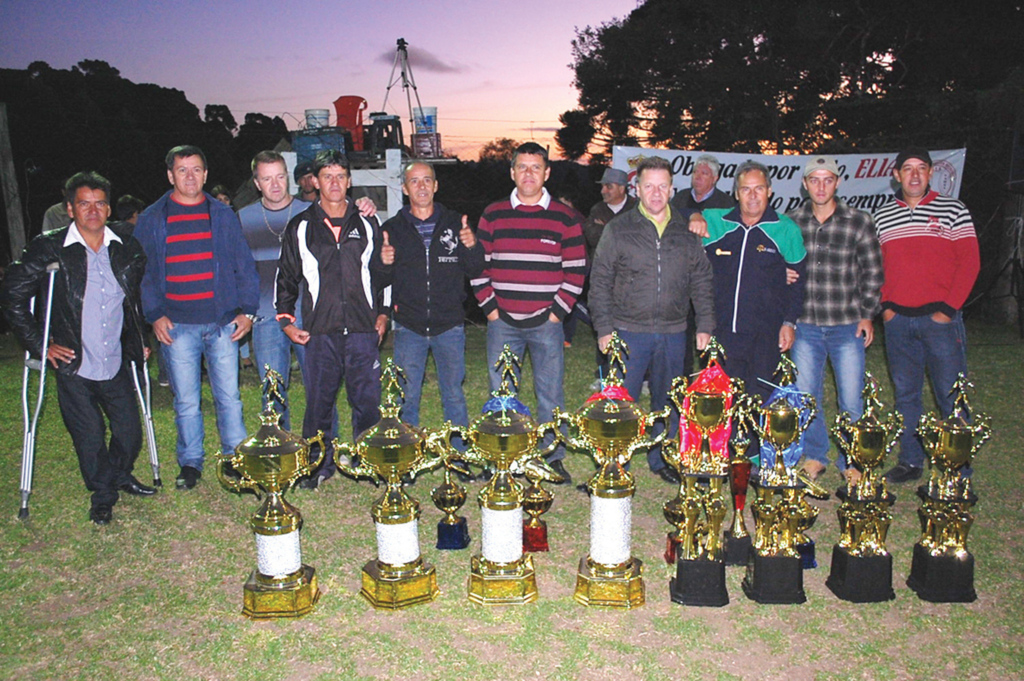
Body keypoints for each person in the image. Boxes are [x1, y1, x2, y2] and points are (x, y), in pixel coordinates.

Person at [1, 172, 154, 524]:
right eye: (84, 203)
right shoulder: (48, 246)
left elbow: (133, 302)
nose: (92, 211)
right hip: (73, 359)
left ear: (109, 207)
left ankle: (117, 472)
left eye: (100, 203)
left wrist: (137, 341)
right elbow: (12, 295)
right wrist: (41, 344)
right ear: (70, 208)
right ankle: (103, 493)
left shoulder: (126, 247)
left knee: (129, 432)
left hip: (113, 356)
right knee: (88, 433)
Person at [135, 145, 259, 490]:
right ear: (170, 175)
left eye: (196, 169)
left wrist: (247, 311)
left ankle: (235, 458)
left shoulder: (222, 215)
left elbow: (243, 264)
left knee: (229, 397)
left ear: (205, 174)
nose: (190, 176)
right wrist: (155, 315)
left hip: (222, 323)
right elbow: (142, 273)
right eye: (182, 170)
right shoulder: (152, 218)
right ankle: (191, 462)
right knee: (186, 400)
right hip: (177, 326)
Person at [589, 156, 715, 483]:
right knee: (621, 404)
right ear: (638, 189)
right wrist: (604, 328)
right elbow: (600, 280)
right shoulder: (619, 229)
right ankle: (616, 463)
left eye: (662, 186)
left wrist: (705, 325)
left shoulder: (686, 230)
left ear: (672, 190)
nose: (656, 193)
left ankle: (661, 459)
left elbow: (701, 280)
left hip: (674, 332)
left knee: (669, 401)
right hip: (628, 331)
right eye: (649, 186)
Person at [471, 142, 586, 484]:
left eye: (536, 167)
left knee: (550, 393)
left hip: (546, 323)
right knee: (501, 393)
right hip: (502, 322)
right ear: (512, 172)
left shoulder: (565, 218)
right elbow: (479, 266)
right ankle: (501, 456)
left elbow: (577, 269)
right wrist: (491, 310)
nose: (529, 174)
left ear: (547, 172)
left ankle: (553, 455)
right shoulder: (493, 214)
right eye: (522, 167)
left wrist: (556, 314)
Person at [275, 149, 388, 489]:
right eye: (327, 176)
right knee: (319, 403)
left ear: (349, 181)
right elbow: (285, 277)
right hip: (319, 331)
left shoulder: (369, 221)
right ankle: (316, 466)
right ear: (315, 182)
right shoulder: (301, 225)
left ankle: (367, 463)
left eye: (341, 176)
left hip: (362, 329)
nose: (334, 182)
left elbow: (382, 273)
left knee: (367, 401)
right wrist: (286, 321)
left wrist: (383, 314)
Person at [874, 148, 980, 483]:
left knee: (950, 394)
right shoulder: (883, 216)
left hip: (941, 321)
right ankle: (910, 460)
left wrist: (947, 311)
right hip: (898, 322)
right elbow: (875, 268)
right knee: (906, 395)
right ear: (896, 175)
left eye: (921, 168)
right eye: (908, 169)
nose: (915, 175)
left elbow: (970, 264)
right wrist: (886, 308)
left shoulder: (953, 209)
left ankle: (958, 467)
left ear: (931, 173)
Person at [787, 156, 884, 484]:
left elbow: (873, 270)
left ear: (838, 183)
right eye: (814, 180)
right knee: (806, 396)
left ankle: (851, 460)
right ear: (805, 183)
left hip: (846, 323)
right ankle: (816, 455)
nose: (821, 186)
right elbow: (780, 268)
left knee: (851, 397)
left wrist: (868, 315)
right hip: (805, 325)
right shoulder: (792, 222)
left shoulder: (858, 221)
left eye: (828, 180)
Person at [374, 162, 484, 434]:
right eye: (414, 181)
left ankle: (458, 454)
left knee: (454, 394)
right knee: (407, 396)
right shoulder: (392, 229)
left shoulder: (456, 223)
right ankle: (408, 455)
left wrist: (472, 247)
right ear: (404, 188)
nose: (421, 186)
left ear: (436, 186)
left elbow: (476, 269)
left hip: (449, 325)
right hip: (409, 325)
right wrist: (383, 262)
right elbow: (378, 279)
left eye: (427, 180)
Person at [699, 161, 807, 401]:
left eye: (759, 188)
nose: (753, 195)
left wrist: (789, 322)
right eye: (746, 189)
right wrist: (694, 216)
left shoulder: (786, 229)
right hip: (722, 331)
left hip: (765, 336)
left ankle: (755, 440)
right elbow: (678, 214)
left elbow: (799, 283)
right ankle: (725, 441)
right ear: (736, 193)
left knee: (759, 401)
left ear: (769, 191)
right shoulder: (715, 222)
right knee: (720, 402)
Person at [237, 151, 312, 429]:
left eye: (281, 176)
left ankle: (323, 448)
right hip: (266, 316)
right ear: (257, 183)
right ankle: (280, 452)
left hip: (309, 313)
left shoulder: (309, 212)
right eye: (267, 179)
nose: (276, 184)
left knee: (319, 387)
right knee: (272, 392)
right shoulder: (244, 218)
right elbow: (240, 271)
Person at [582, 167, 637, 258]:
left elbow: (638, 240)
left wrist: (605, 228)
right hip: (602, 266)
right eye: (602, 186)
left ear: (621, 189)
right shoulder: (597, 209)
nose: (603, 191)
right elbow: (592, 238)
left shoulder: (636, 209)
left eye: (609, 187)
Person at [670, 154, 735, 213]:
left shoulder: (726, 203)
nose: (697, 177)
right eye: (695, 172)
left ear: (715, 178)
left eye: (704, 173)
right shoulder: (680, 197)